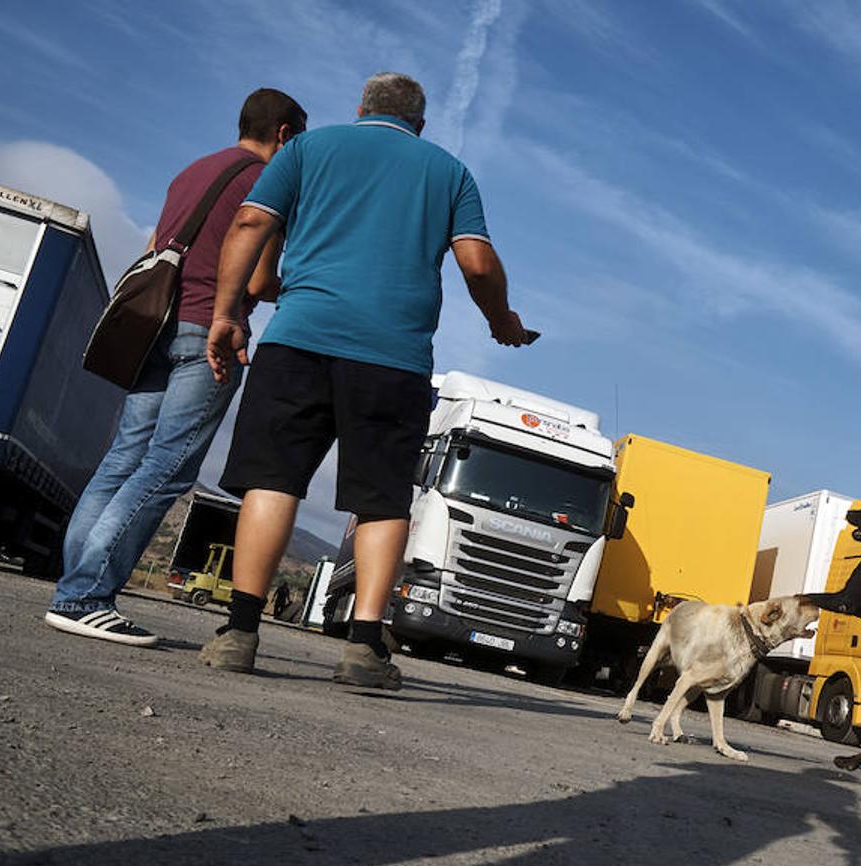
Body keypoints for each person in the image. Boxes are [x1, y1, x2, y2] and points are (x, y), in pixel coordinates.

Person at [200, 72, 531, 689]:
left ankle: (239, 634)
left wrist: (225, 316)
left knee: (273, 480)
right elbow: (477, 264)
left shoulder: (304, 148)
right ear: (420, 124)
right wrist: (501, 319)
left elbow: (249, 224)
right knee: (380, 500)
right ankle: (362, 651)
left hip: (299, 338)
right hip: (394, 358)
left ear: (360, 110)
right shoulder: (450, 172)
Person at [44, 89, 307, 647]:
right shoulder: (268, 183)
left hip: (154, 325)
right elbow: (258, 281)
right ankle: (86, 597)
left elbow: (153, 246)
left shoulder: (192, 171)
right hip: (207, 329)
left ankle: (71, 591)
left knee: (122, 460)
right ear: (284, 135)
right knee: (166, 469)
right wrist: (303, 287)